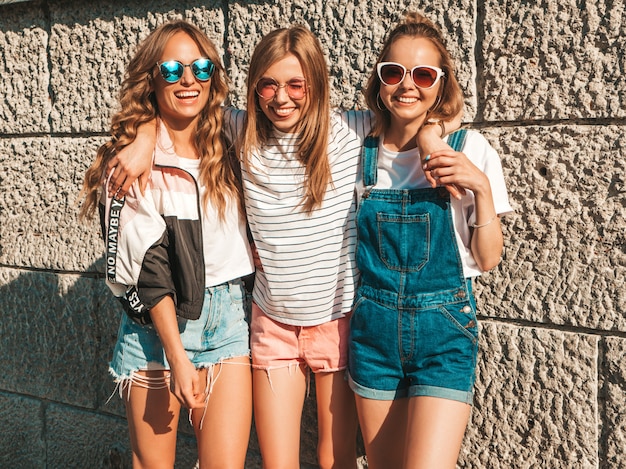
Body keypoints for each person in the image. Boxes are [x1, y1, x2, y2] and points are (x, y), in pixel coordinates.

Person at [103, 24, 458, 469]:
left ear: (316, 82)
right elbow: (188, 113)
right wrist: (142, 138)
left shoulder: (351, 130)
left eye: (295, 84)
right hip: (272, 327)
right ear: (255, 89)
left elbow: (418, 110)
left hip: (338, 321)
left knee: (335, 458)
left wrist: (432, 135)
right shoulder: (243, 130)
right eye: (268, 85)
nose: (281, 97)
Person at [79, 21, 254, 469]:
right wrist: (177, 356)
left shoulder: (229, 136)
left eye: (201, 67)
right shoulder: (129, 163)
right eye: (173, 69)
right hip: (156, 331)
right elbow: (147, 269)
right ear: (152, 78)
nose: (189, 79)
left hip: (227, 320)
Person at [347, 11, 513, 469]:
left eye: (423, 74)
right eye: (393, 72)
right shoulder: (355, 140)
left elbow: (489, 257)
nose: (407, 85)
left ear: (441, 84)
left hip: (444, 336)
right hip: (373, 335)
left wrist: (479, 185)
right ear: (379, 80)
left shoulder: (470, 149)